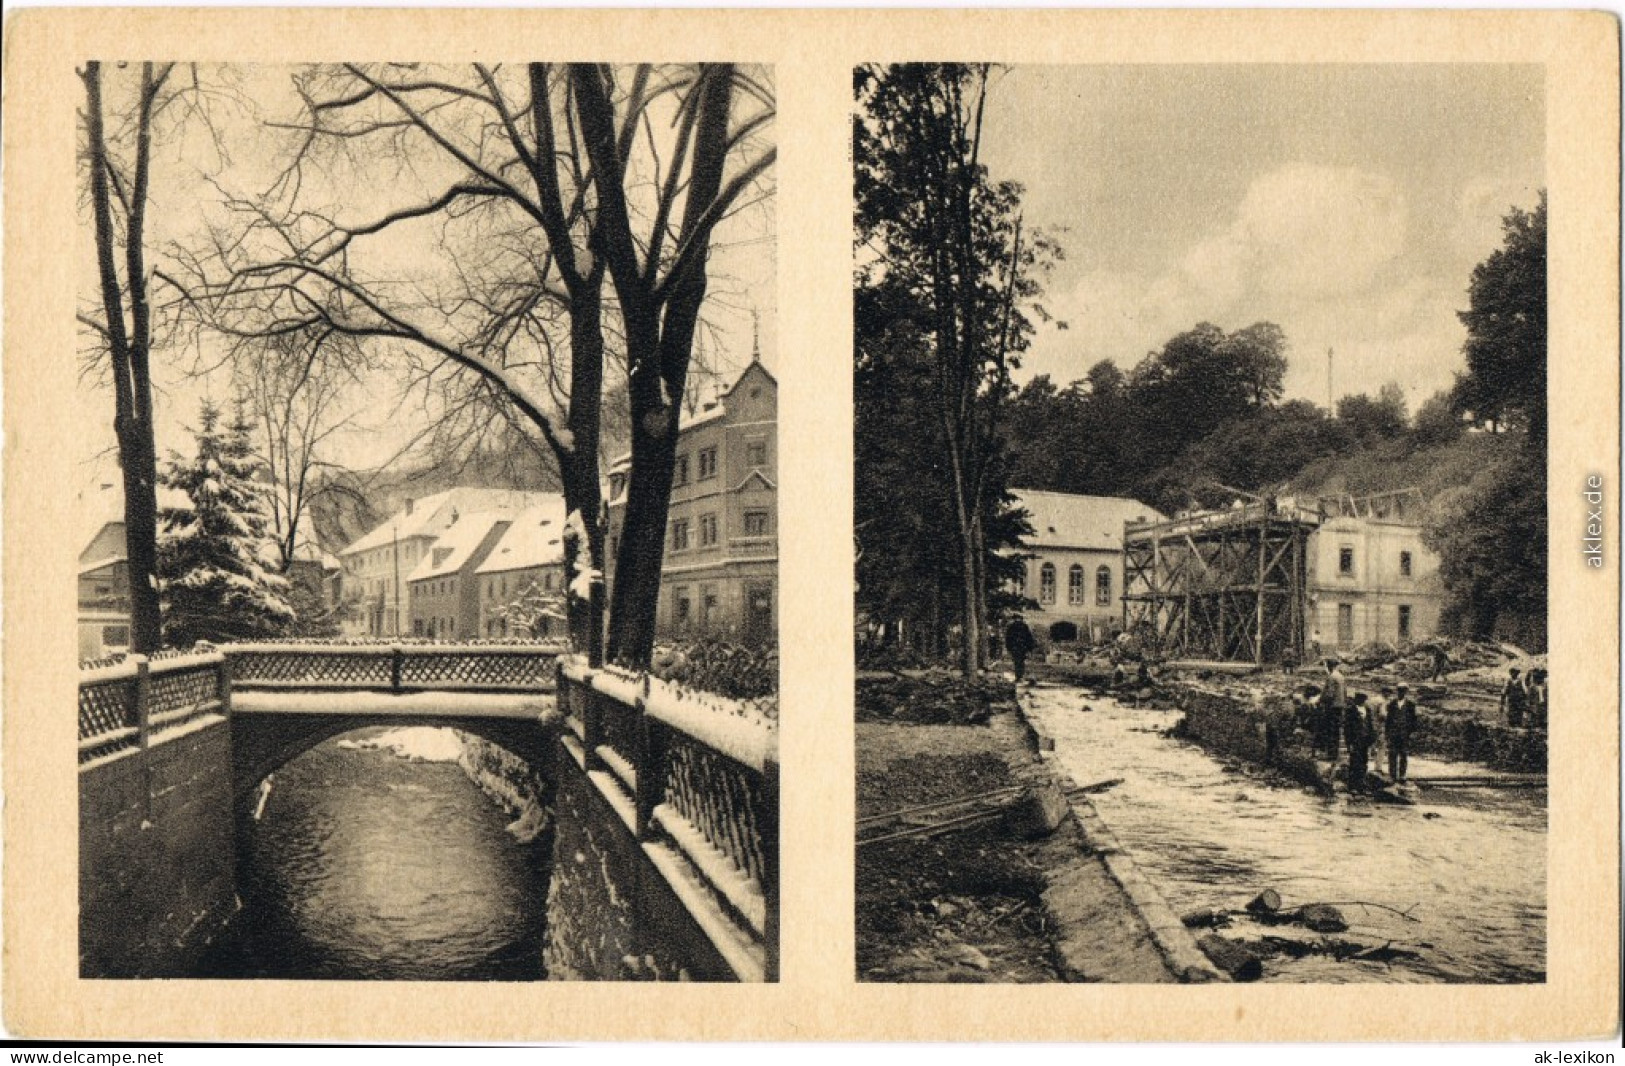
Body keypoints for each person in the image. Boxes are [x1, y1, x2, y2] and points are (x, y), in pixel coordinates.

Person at [1385, 683, 1418, 783]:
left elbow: (1413, 720)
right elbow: (1388, 720)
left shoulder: (1410, 704)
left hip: (1404, 733)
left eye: (1403, 690)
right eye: (1399, 690)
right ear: (1397, 691)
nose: (1401, 692)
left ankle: (1402, 775)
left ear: (1406, 692)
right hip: (1393, 733)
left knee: (1403, 754)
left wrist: (1412, 732)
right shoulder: (1392, 704)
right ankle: (1392, 775)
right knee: (1392, 754)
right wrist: (1387, 733)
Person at [1317, 657, 1347, 761]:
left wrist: (1321, 701)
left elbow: (1329, 694)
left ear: (1330, 666)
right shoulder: (1341, 676)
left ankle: (1331, 754)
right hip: (1340, 706)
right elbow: (1345, 693)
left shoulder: (1331, 677)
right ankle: (1335, 754)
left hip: (1332, 707)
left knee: (1330, 730)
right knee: (1336, 731)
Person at [1344, 691, 1373, 792]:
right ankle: (1352, 786)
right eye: (1359, 698)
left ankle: (1361, 785)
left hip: (1365, 739)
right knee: (1354, 762)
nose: (1361, 701)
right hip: (1355, 740)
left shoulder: (1367, 710)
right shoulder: (1350, 710)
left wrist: (1371, 740)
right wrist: (1349, 743)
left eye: (1363, 699)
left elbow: (1370, 725)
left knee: (1364, 762)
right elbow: (1347, 728)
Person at [1004, 615, 1036, 684]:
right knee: (1021, 662)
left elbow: (1008, 638)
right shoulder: (1024, 626)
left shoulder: (1011, 627)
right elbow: (1029, 638)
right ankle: (1020, 676)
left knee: (1017, 662)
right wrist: (1030, 648)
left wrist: (1008, 647)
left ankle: (1018, 676)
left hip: (1015, 647)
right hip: (1022, 647)